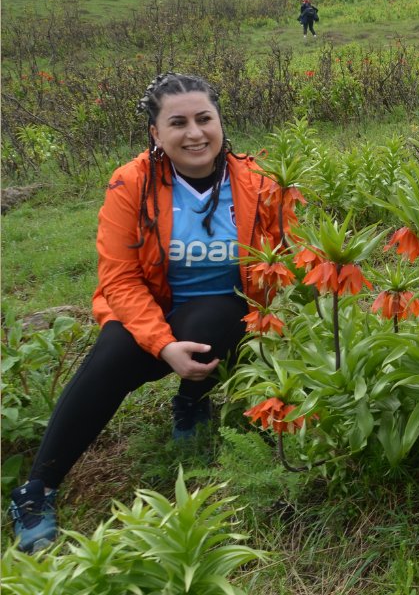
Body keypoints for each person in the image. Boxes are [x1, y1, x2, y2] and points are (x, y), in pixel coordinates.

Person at [6, 73, 286, 554]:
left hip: (224, 311)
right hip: (149, 307)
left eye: (204, 119)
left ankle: (193, 399)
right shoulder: (130, 182)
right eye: (177, 123)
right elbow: (118, 278)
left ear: (220, 122)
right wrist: (161, 343)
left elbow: (286, 258)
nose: (195, 133)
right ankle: (37, 489)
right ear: (155, 133)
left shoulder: (259, 181)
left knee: (215, 317)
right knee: (113, 353)